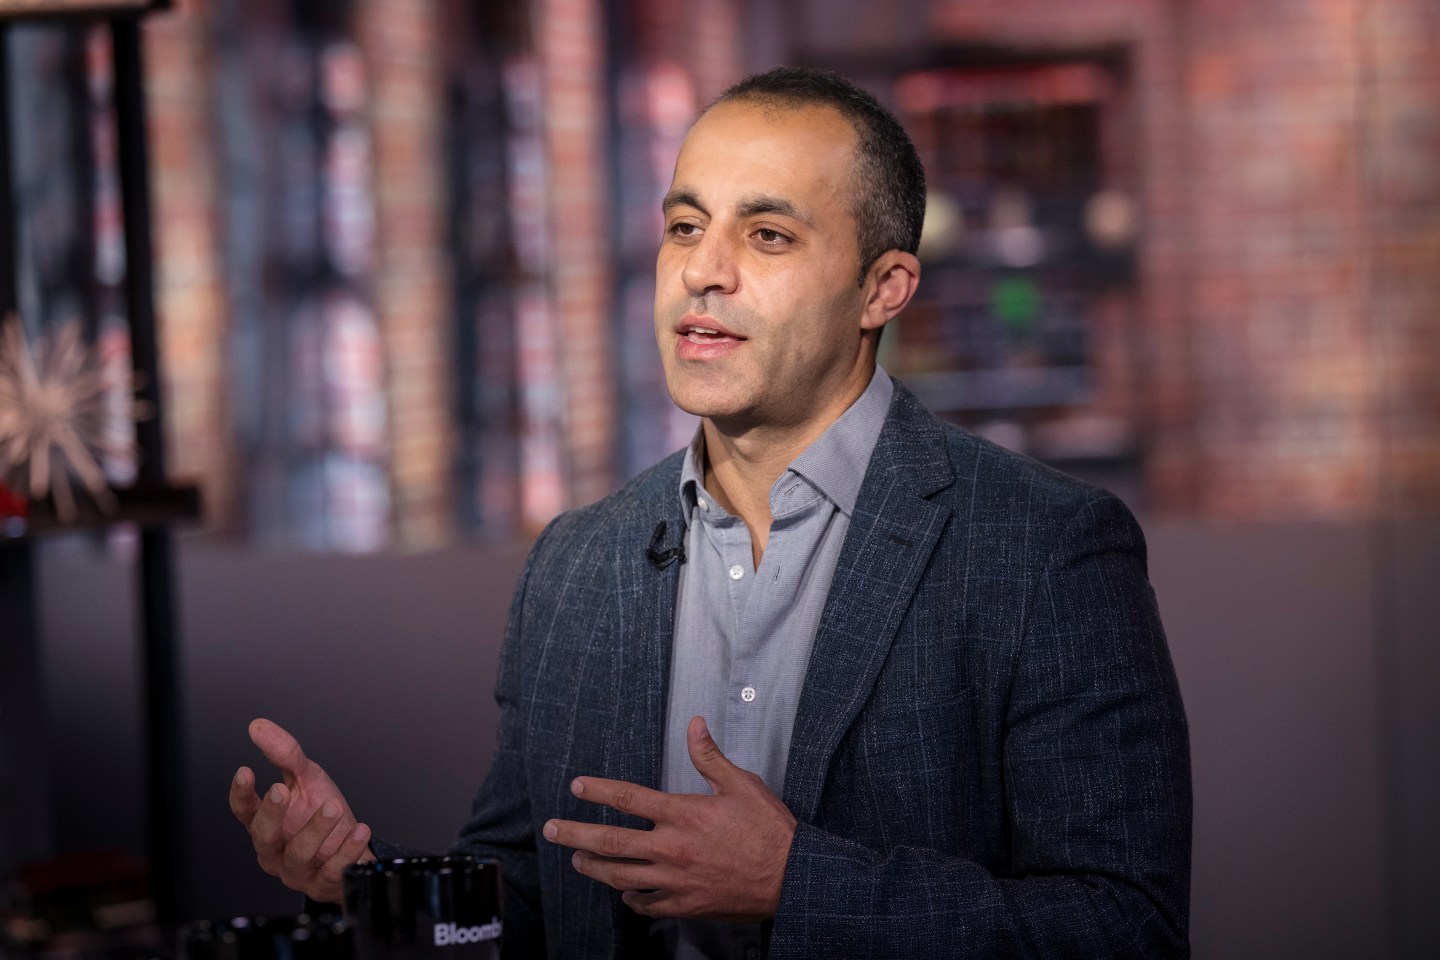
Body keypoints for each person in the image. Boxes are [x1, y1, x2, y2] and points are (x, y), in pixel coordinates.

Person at [231, 66, 1191, 959]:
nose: (703, 270)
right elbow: (530, 904)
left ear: (882, 289)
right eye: (686, 226)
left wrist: (795, 884)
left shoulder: (1044, 549)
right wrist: (369, 883)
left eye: (767, 236)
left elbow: (1125, 927)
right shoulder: (576, 563)